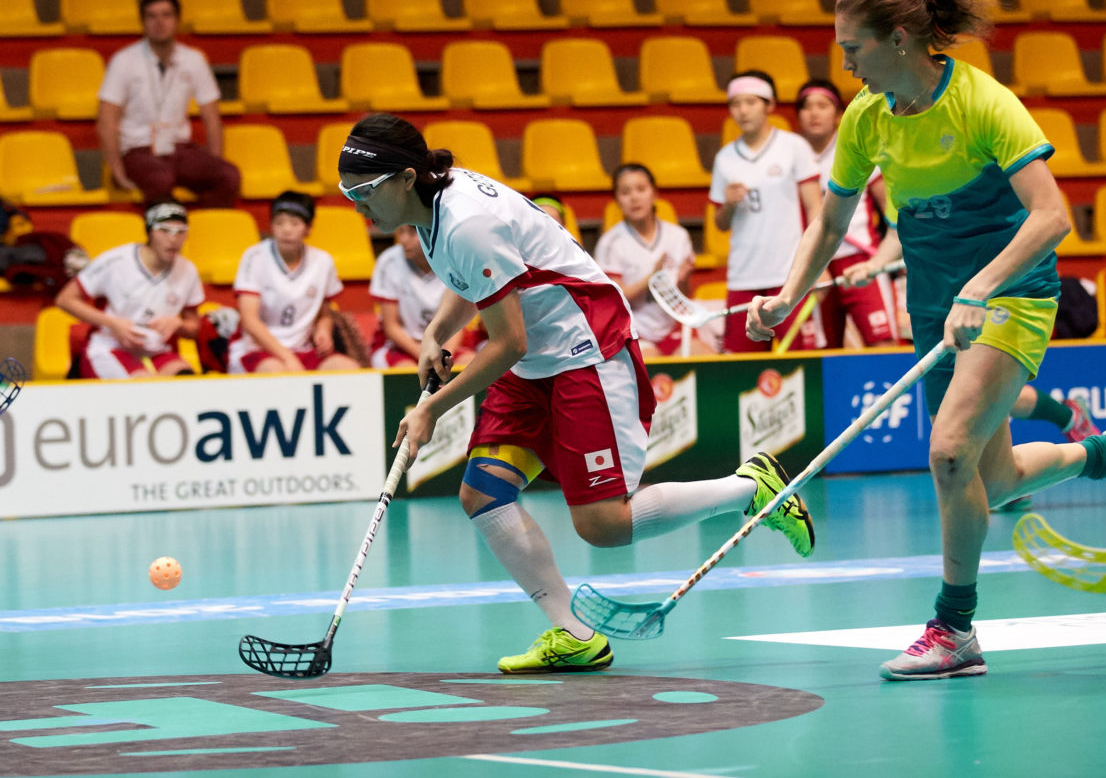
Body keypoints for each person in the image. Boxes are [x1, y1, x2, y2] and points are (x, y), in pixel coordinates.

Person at [746, 0, 1106, 681]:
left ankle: (955, 627)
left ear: (900, 40)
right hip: (936, 303)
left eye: (854, 48)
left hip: (1010, 293)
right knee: (992, 477)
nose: (846, 63)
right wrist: (789, 296)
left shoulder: (983, 102)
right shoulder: (867, 117)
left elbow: (1052, 217)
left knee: (948, 454)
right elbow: (830, 219)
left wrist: (982, 285)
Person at [338, 113, 815, 674]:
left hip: (585, 351)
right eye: (350, 196)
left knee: (603, 526)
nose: (358, 207)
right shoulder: (432, 207)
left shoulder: (466, 220)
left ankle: (749, 487)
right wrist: (434, 333)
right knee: (483, 492)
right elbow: (470, 280)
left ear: (406, 177)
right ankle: (575, 633)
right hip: (538, 354)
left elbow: (507, 341)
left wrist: (432, 412)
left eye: (365, 192)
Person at [711, 70, 825, 353]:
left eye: (751, 102)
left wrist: (817, 266)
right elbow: (720, 223)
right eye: (736, 104)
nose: (743, 111)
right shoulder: (724, 158)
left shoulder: (793, 147)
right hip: (743, 277)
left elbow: (816, 209)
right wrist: (728, 204)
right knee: (743, 368)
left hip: (789, 277)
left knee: (799, 365)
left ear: (770, 105)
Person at [97, 0, 240, 208]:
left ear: (177, 20)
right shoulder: (124, 60)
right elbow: (107, 121)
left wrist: (214, 160)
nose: (159, 22)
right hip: (138, 149)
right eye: (152, 16)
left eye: (166, 15)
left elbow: (212, 117)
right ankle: (163, 238)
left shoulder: (194, 59)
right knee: (161, 178)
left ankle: (199, 230)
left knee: (228, 175)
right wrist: (117, 172)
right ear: (142, 22)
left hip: (180, 148)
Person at [795, 78, 898, 348]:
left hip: (860, 260)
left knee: (882, 342)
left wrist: (898, 249)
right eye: (806, 107)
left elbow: (892, 206)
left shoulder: (854, 149)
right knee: (823, 353)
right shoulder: (790, 157)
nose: (814, 113)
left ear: (839, 114)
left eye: (823, 105)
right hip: (816, 265)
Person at [55, 203, 204, 378]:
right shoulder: (116, 261)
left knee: (185, 385)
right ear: (150, 232)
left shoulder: (188, 270)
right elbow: (65, 300)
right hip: (110, 345)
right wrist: (113, 323)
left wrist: (178, 324)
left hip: (157, 349)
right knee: (142, 386)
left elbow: (193, 327)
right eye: (164, 230)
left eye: (180, 231)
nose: (173, 238)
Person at [226, 191, 360, 374]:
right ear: (271, 226)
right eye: (279, 223)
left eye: (294, 223)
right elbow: (249, 320)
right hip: (257, 351)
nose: (286, 230)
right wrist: (287, 357)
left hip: (304, 349)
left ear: (308, 228)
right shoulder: (254, 257)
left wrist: (323, 329)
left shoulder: (322, 261)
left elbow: (325, 313)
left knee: (349, 369)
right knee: (277, 373)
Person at [594, 163, 714, 359]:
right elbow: (615, 298)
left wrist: (683, 280)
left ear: (654, 193)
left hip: (673, 327)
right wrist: (652, 277)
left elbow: (683, 296)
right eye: (625, 192)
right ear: (617, 200)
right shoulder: (610, 243)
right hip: (634, 331)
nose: (634, 198)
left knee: (705, 357)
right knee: (652, 365)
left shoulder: (678, 236)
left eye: (641, 189)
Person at [370, 224, 476, 370]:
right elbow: (391, 326)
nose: (403, 239)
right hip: (402, 348)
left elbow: (458, 321)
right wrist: (427, 355)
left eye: (412, 233)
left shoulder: (453, 258)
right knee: (407, 372)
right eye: (401, 232)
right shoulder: (389, 261)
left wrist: (444, 356)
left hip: (445, 345)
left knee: (471, 364)